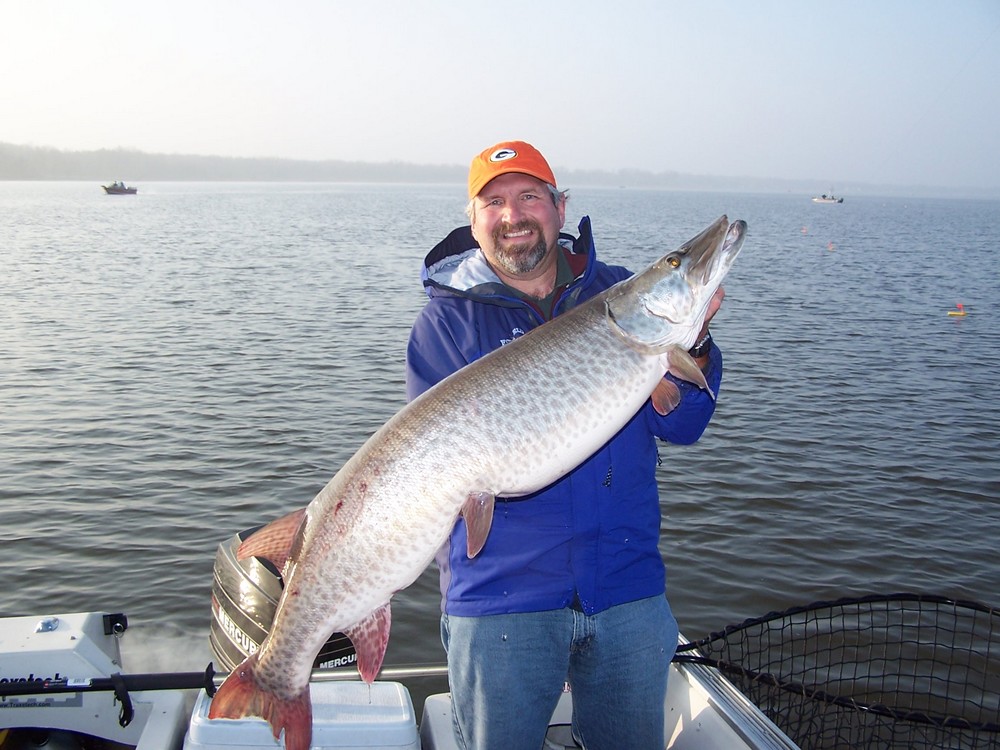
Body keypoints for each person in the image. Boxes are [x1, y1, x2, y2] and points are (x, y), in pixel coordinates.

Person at [405, 140, 723, 750]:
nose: (512, 215)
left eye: (529, 197)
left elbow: (684, 425)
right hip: (502, 599)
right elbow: (442, 469)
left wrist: (697, 343)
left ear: (559, 206)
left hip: (626, 586)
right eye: (494, 202)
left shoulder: (620, 295)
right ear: (473, 222)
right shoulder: (446, 326)